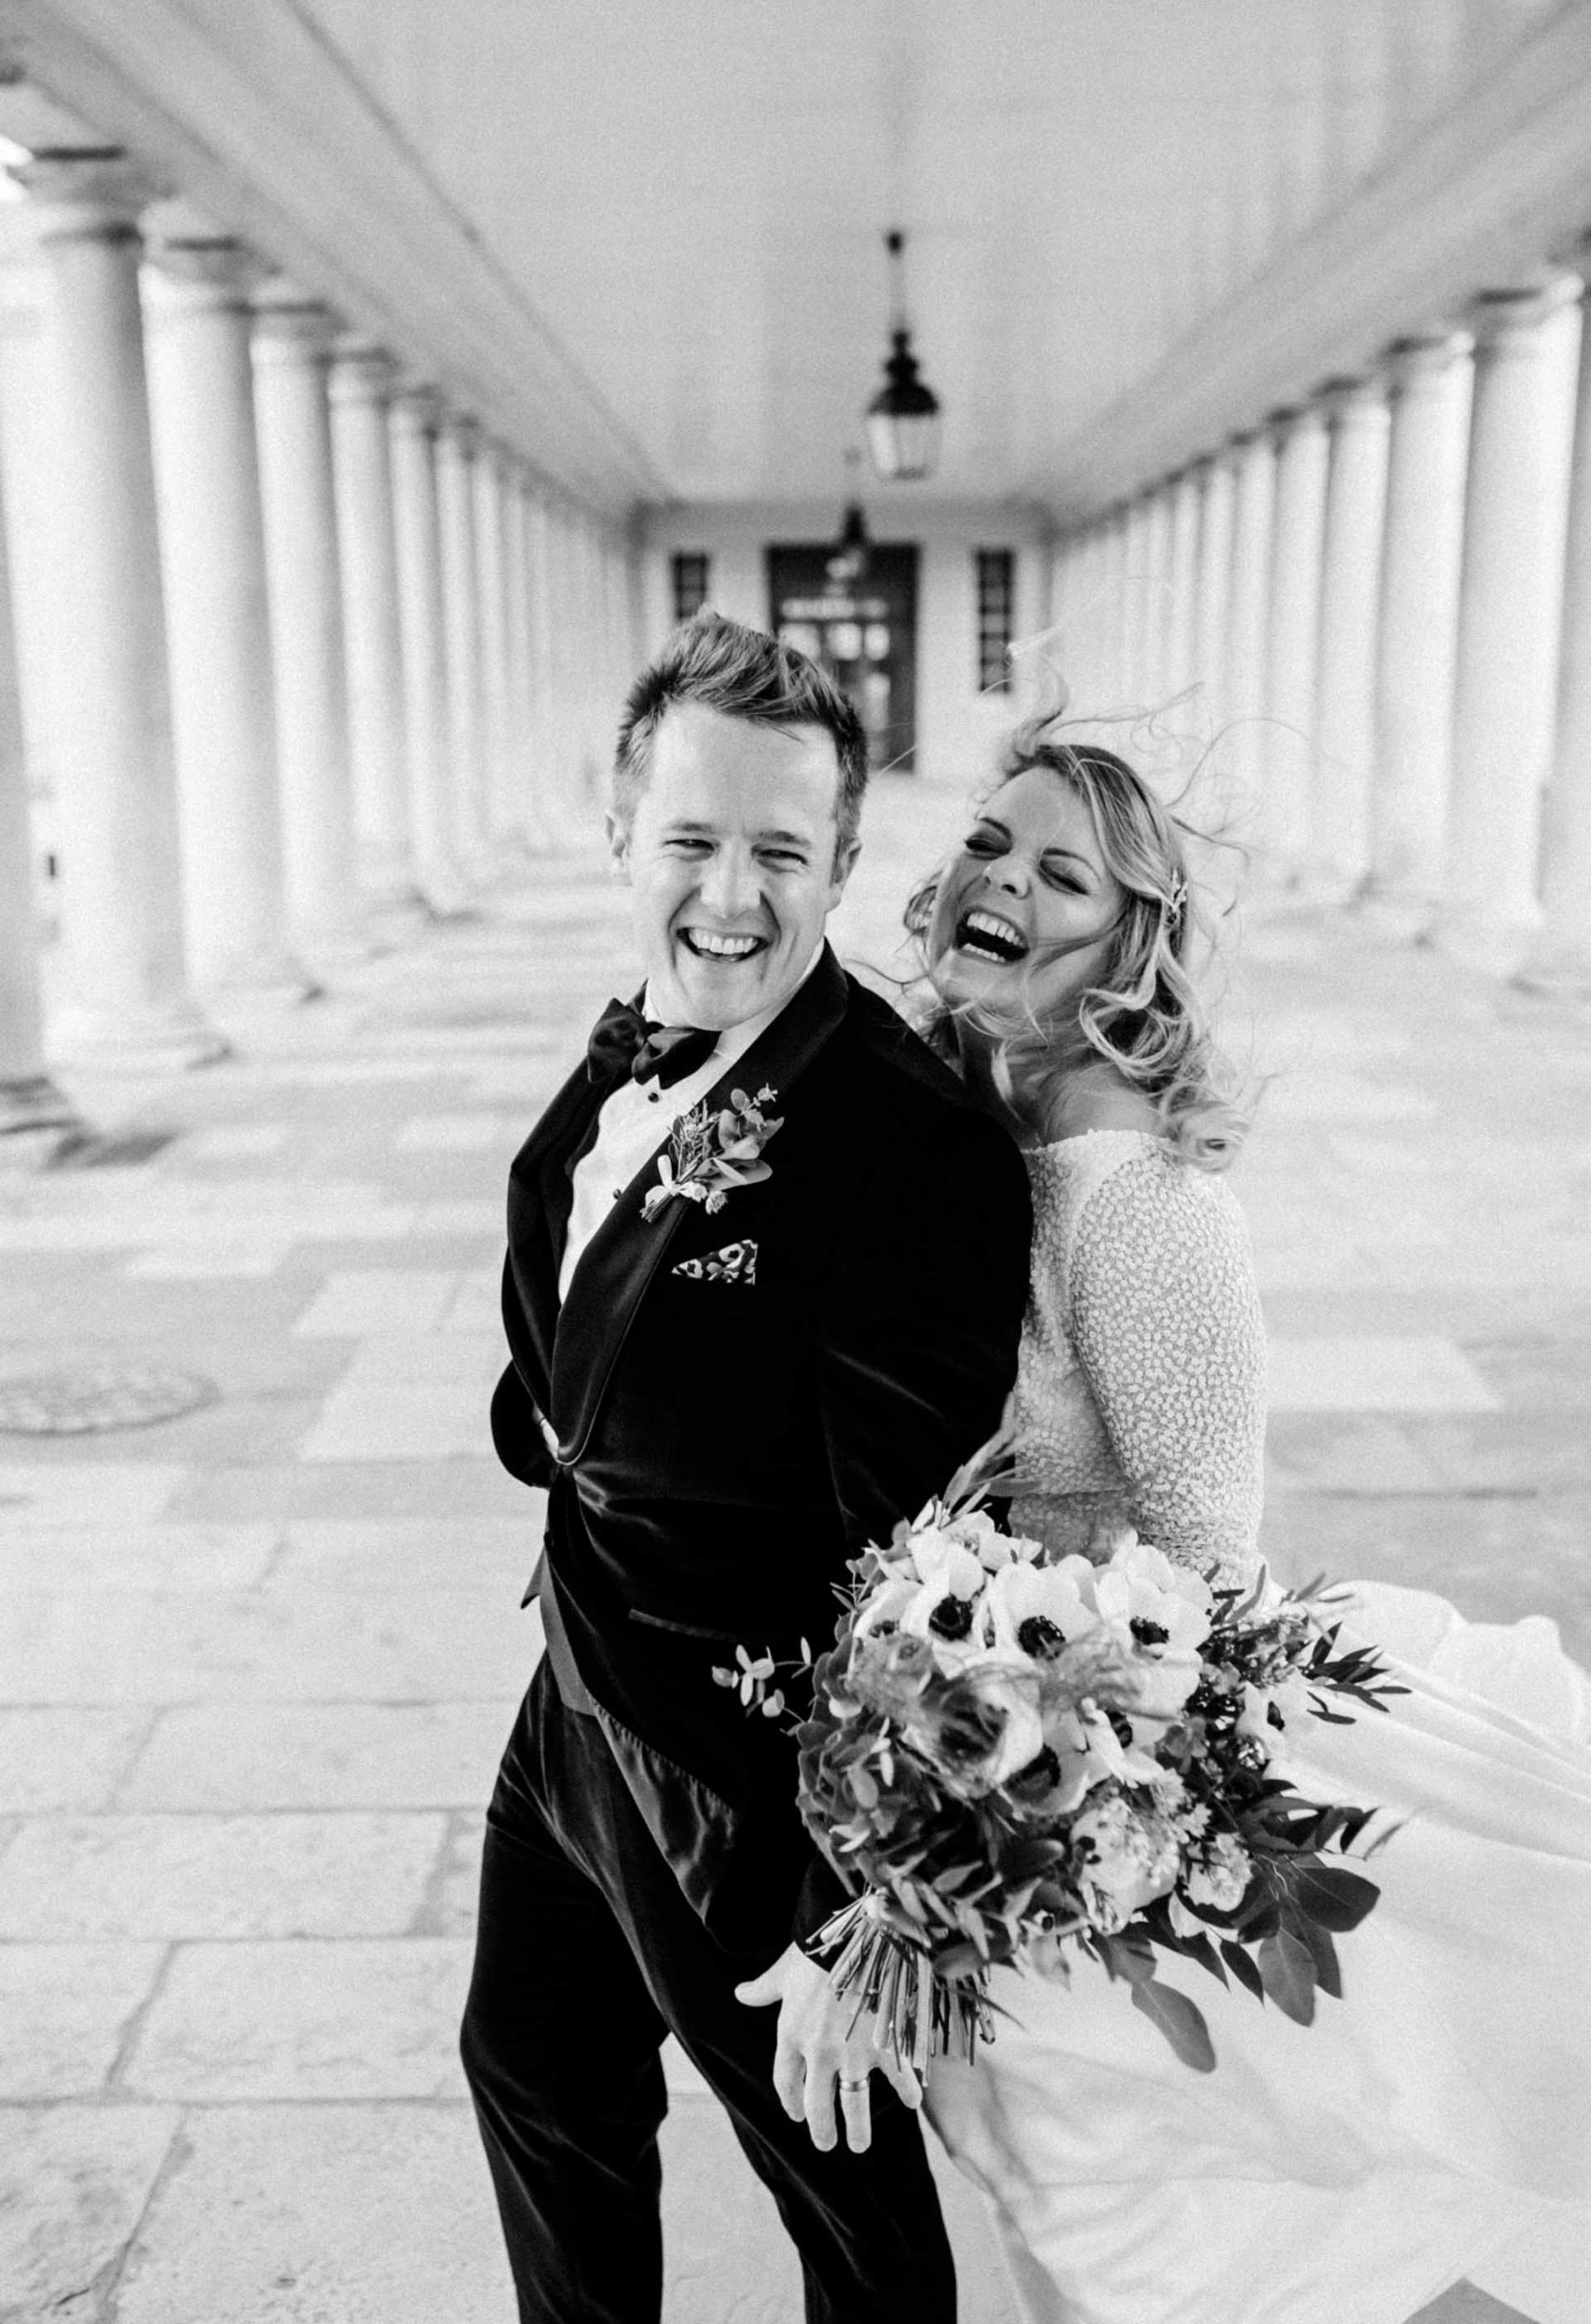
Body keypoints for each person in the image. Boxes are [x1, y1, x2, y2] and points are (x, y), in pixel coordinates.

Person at [907, 714, 1591, 2324]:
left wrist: (1049, 1773)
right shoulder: (1002, 1132)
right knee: (1075, 2187)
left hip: (1124, 1774)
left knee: (1133, 2209)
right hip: (1007, 1750)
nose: (999, 883)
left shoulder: (1141, 1210)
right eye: (990, 845)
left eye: (1059, 871)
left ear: (1125, 945)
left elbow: (1206, 1576)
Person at [462, 611, 1032, 2324]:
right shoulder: (628, 1042)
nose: (733, 892)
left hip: (747, 1777)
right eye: (695, 840)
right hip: (576, 1686)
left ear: (844, 860)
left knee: (841, 2191)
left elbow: (918, 1563)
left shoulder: (907, 1147)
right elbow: (566, 1337)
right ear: (620, 833)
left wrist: (875, 1902)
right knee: (537, 2071)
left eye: (781, 849)